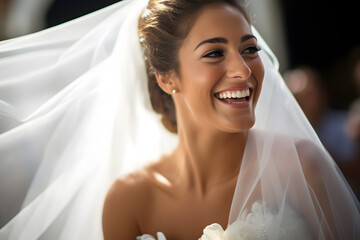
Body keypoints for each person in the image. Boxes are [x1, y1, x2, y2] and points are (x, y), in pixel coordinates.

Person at [0, 0, 359, 240]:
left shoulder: (301, 166)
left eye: (249, 49)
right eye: (215, 53)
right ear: (166, 77)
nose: (243, 69)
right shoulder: (129, 202)